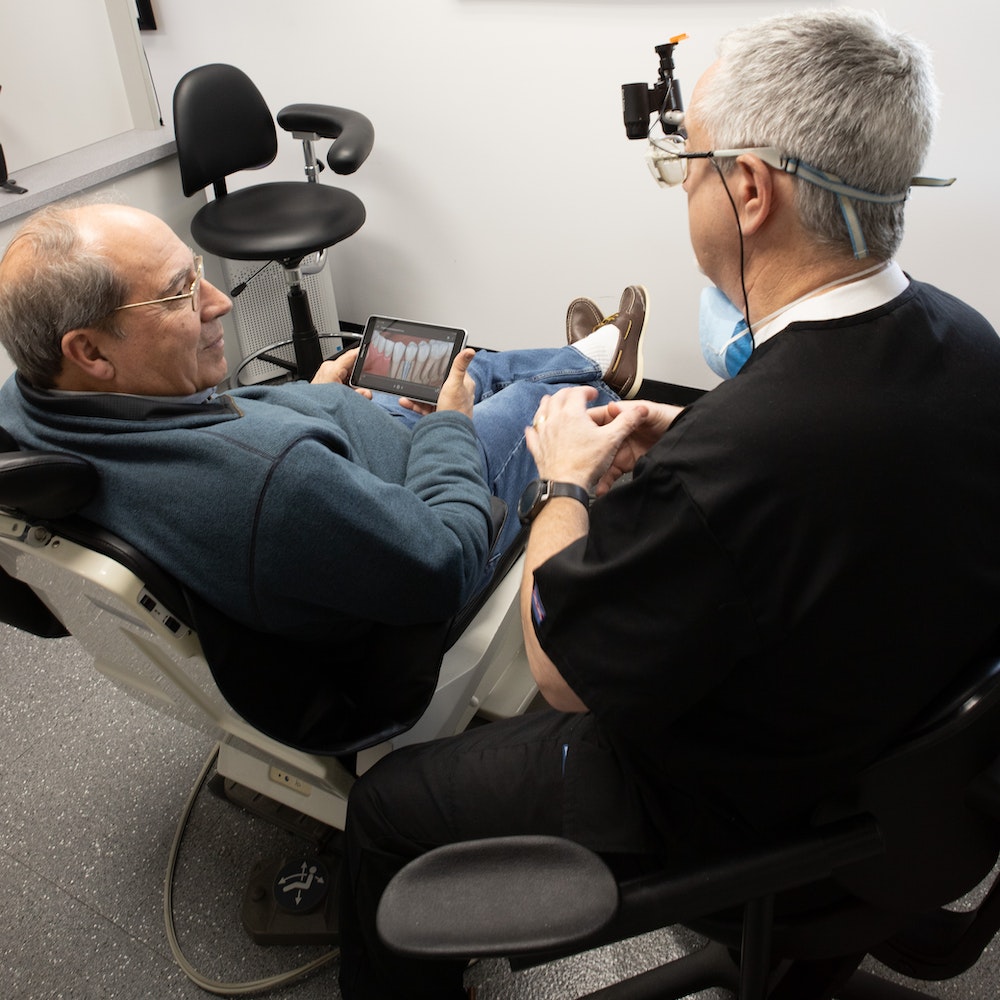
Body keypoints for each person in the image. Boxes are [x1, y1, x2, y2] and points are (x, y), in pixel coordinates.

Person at [335, 9, 1000, 999]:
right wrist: (694, 431)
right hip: (911, 773)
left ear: (749, 190)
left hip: (746, 808)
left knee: (388, 805)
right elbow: (842, 464)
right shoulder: (968, 339)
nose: (682, 184)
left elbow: (560, 667)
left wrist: (561, 481)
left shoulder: (737, 459)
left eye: (686, 161)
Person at [0, 202, 647, 642]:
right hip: (425, 505)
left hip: (345, 460)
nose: (220, 303)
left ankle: (584, 360)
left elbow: (223, 439)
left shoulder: (32, 405)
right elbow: (443, 561)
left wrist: (309, 403)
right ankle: (589, 375)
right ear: (89, 351)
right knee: (536, 403)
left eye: (197, 273)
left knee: (468, 365)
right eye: (180, 293)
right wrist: (448, 427)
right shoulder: (267, 482)